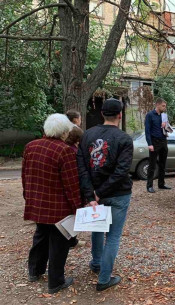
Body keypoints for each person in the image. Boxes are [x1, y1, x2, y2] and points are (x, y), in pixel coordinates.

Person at [77, 98, 133, 291]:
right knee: (113, 236)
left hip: (97, 191)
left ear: (102, 114)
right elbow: (121, 171)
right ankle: (103, 278)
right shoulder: (124, 138)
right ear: (120, 114)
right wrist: (96, 194)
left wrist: (91, 195)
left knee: (98, 229)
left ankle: (97, 262)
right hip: (118, 193)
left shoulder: (87, 135)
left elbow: (82, 168)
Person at [22, 114, 82, 294]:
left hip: (38, 203)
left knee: (40, 237)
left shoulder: (30, 146)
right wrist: (77, 208)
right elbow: (71, 185)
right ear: (64, 132)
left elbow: (25, 177)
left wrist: (28, 197)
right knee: (59, 244)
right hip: (58, 207)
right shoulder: (64, 150)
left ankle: (35, 271)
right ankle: (55, 282)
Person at [145, 98, 170, 193]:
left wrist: (166, 126)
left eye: (165, 106)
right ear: (157, 105)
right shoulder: (150, 115)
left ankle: (161, 184)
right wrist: (150, 144)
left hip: (164, 141)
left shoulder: (164, 116)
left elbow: (168, 129)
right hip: (154, 142)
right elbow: (147, 131)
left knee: (163, 164)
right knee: (152, 165)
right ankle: (149, 186)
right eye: (163, 106)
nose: (164, 108)